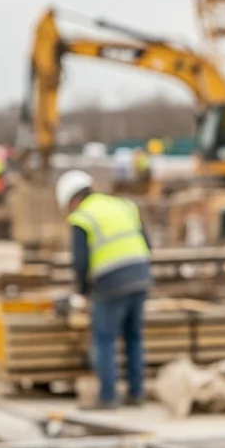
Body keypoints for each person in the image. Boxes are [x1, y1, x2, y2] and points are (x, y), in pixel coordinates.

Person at [55, 169, 152, 410]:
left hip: (111, 281)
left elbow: (80, 262)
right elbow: (147, 243)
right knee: (134, 337)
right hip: (140, 274)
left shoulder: (83, 218)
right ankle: (136, 393)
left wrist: (83, 292)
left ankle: (108, 397)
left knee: (105, 339)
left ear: (73, 200)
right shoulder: (123, 205)